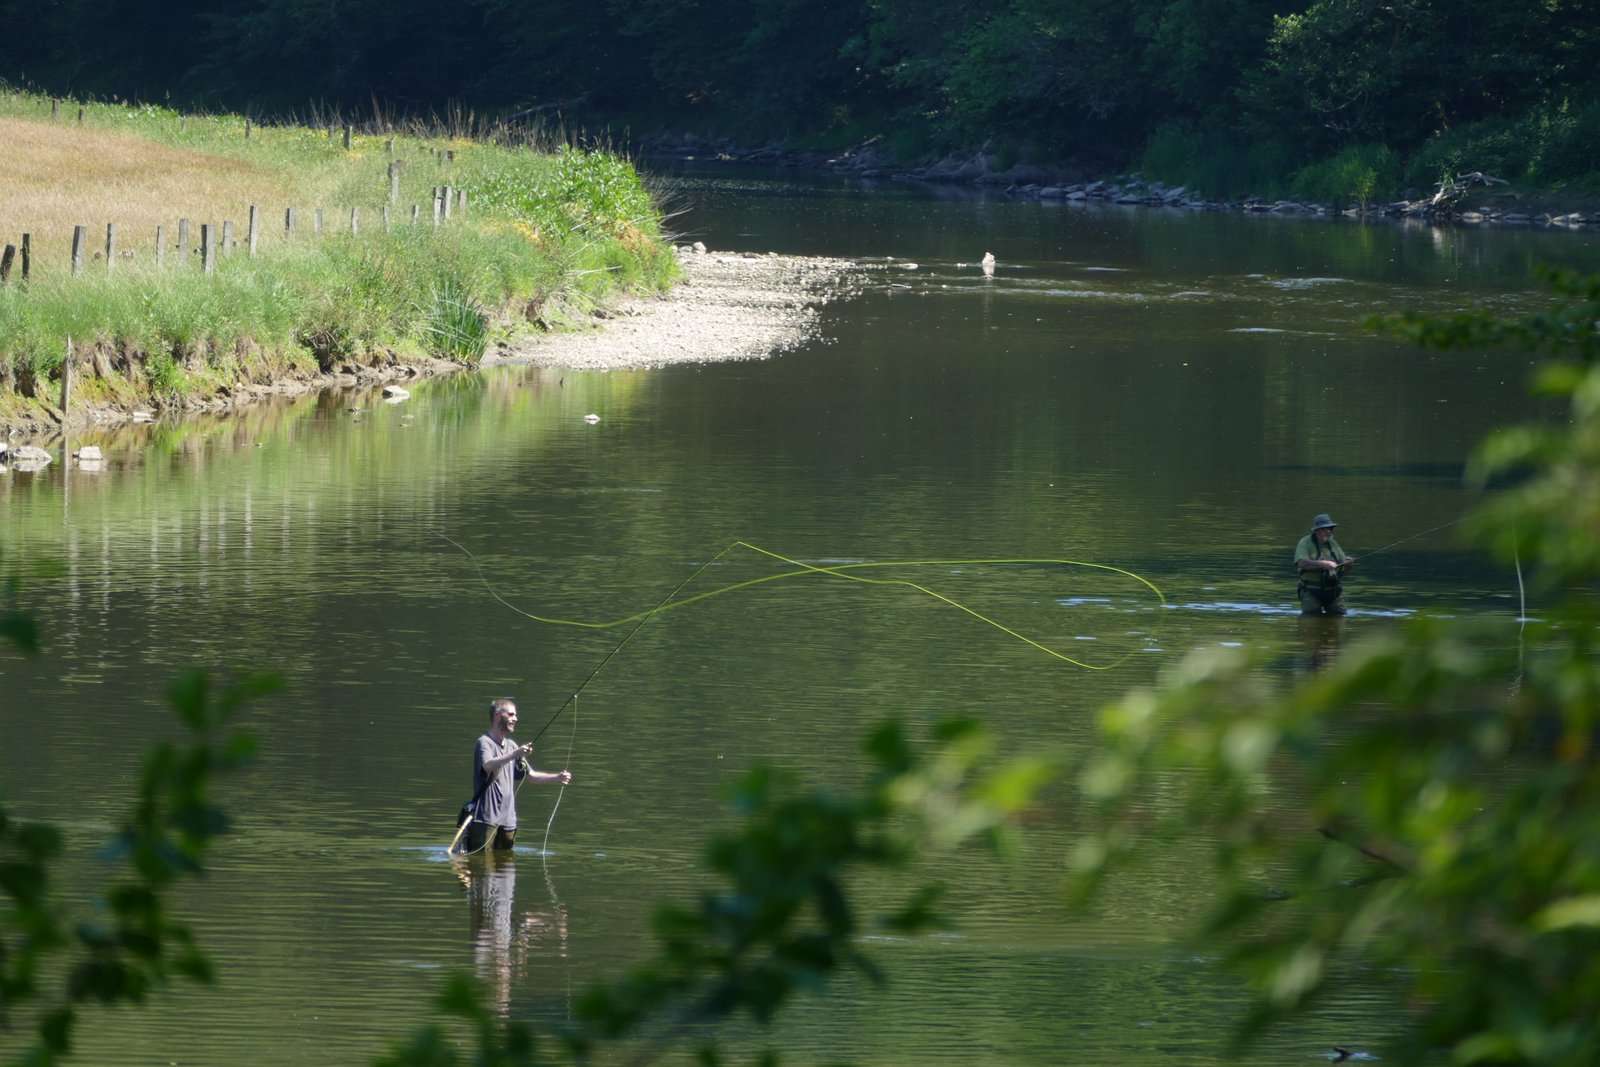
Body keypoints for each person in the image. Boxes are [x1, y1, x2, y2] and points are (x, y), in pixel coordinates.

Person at [464, 698, 573, 853]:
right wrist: (515, 754)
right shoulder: (484, 742)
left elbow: (531, 776)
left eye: (515, 715)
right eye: (511, 714)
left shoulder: (512, 746)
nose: (515, 718)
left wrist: (557, 777)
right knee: (482, 864)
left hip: (509, 822)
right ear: (497, 715)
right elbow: (487, 765)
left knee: (506, 864)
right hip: (486, 820)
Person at [1294, 513, 1357, 615]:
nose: (1328, 532)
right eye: (1325, 529)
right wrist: (1323, 564)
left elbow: (1343, 572)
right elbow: (1301, 563)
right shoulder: (1305, 542)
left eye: (1330, 529)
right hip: (1311, 590)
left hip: (1333, 591)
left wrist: (1348, 565)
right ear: (1316, 530)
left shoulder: (1333, 544)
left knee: (1339, 616)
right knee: (1311, 617)